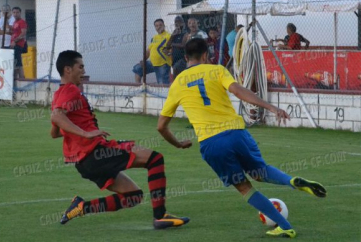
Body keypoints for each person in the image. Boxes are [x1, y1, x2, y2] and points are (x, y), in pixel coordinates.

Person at [157, 38, 327, 238]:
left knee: (245, 187)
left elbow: (161, 126)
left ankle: (285, 226)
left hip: (211, 143)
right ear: (205, 55)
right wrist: (271, 107)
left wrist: (178, 143)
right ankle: (291, 181)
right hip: (237, 133)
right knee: (260, 171)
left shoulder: (178, 83)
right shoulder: (217, 70)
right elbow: (238, 90)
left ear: (185, 58)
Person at [51, 50, 189, 229]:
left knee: (133, 196)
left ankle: (81, 207)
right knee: (155, 159)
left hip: (84, 163)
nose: (84, 71)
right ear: (68, 69)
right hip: (94, 152)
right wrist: (86, 133)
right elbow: (56, 117)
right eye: (81, 66)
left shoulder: (58, 94)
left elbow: (54, 132)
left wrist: (79, 129)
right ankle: (160, 216)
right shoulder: (70, 89)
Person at [132, 19, 172, 85]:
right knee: (138, 68)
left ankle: (165, 95)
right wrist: (144, 60)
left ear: (164, 26)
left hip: (162, 64)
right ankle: (139, 89)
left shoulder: (168, 36)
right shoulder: (154, 38)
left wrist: (169, 55)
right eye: (156, 26)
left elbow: (171, 50)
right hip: (153, 63)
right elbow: (148, 51)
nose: (158, 27)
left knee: (162, 84)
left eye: (160, 25)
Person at [10, 7, 27, 79]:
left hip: (18, 44)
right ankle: (16, 78)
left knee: (18, 63)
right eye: (14, 12)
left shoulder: (22, 22)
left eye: (17, 12)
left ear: (20, 13)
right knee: (16, 62)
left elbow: (23, 33)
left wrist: (15, 41)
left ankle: (21, 78)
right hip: (14, 44)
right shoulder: (14, 22)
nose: (15, 14)